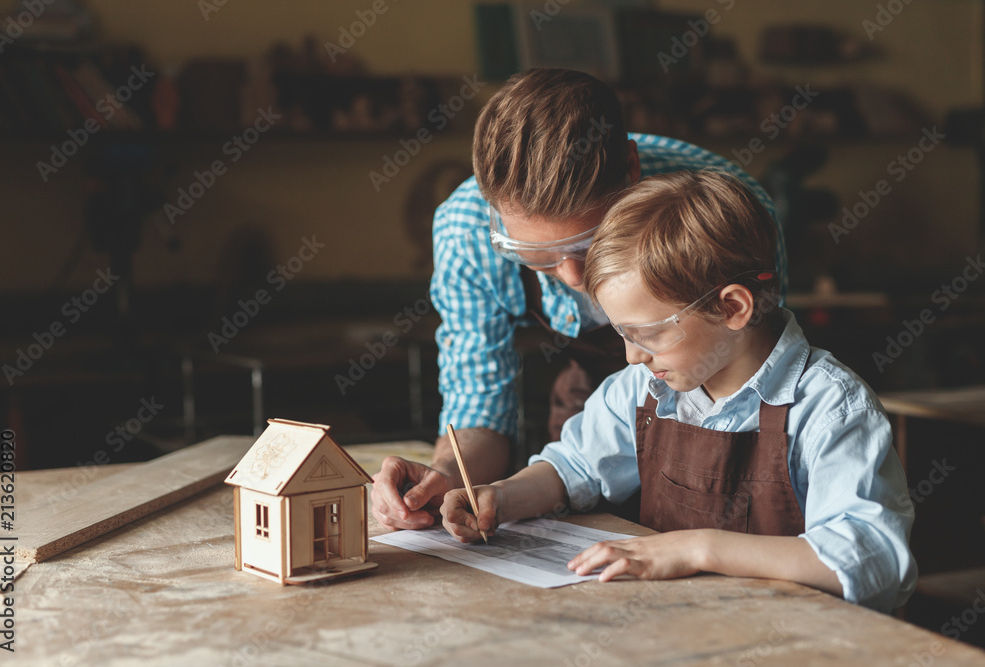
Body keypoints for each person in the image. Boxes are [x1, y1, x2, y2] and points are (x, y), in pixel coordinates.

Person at [440, 171, 916, 612]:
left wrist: (698, 547)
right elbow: (575, 468)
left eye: (647, 334)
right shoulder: (642, 389)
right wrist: (500, 498)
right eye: (621, 333)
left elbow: (873, 560)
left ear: (732, 307)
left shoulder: (829, 408)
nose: (631, 356)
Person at [372, 68, 788, 532]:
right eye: (539, 259)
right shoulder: (464, 231)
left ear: (630, 170)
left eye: (587, 244)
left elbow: (753, 375)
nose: (572, 277)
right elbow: (481, 405)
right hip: (587, 408)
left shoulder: (724, 208)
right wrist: (448, 477)